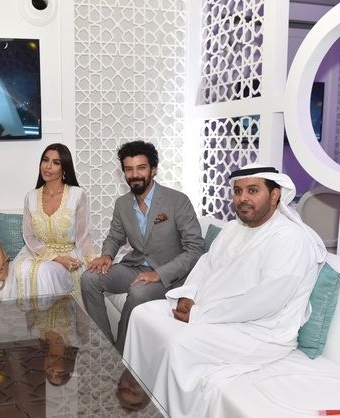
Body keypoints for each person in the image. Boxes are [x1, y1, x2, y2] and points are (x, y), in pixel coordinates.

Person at [123, 165, 327, 417]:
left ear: (275, 195)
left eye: (253, 191)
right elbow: (206, 265)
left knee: (178, 343)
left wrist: (199, 314)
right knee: (142, 314)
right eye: (238, 191)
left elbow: (267, 301)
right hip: (211, 311)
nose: (243, 198)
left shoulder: (289, 237)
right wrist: (188, 295)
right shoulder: (233, 228)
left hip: (260, 331)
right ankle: (136, 399)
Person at [80, 140, 204, 353]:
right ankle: (104, 346)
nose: (134, 174)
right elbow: (115, 237)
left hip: (170, 276)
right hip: (136, 267)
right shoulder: (122, 204)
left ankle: (120, 354)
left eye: (141, 167)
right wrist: (107, 255)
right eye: (128, 169)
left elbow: (196, 249)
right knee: (89, 278)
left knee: (138, 291)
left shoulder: (177, 201)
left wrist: (159, 274)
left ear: (153, 170)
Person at [9, 143, 96, 301]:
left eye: (56, 163)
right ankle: (32, 317)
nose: (47, 166)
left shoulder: (77, 195)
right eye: (45, 160)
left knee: (44, 271)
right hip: (36, 253)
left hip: (68, 256)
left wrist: (93, 262)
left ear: (64, 168)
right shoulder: (31, 197)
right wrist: (55, 257)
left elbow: (83, 237)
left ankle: (53, 317)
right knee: (23, 268)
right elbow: (29, 237)